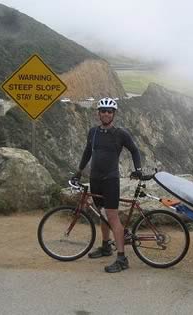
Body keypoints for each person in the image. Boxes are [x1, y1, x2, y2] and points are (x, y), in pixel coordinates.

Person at [73, 97, 142, 273]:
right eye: (102, 110)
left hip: (111, 180)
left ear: (114, 114)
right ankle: (105, 246)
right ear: (98, 113)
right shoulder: (93, 132)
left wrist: (138, 169)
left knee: (112, 216)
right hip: (95, 179)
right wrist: (79, 172)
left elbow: (134, 150)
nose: (105, 113)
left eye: (109, 111)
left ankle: (122, 258)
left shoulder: (120, 133)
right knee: (102, 214)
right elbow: (87, 152)